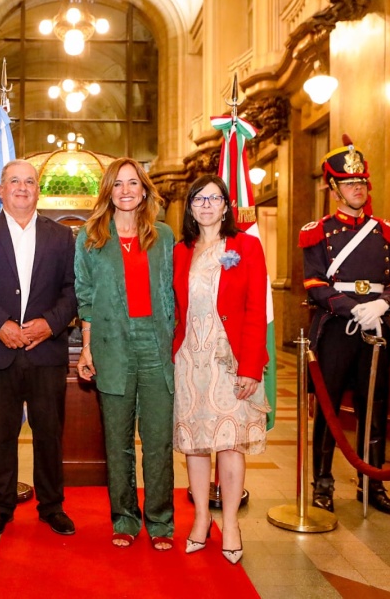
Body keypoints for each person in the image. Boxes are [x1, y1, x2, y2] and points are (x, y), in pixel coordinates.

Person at [0, 159, 77, 538]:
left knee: (49, 433)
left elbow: (72, 290)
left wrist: (50, 323)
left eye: (30, 181)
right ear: (1, 189)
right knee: (1, 433)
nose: (23, 187)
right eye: (14, 181)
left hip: (46, 351)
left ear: (38, 190)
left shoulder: (61, 237)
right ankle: (1, 506)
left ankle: (52, 506)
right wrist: (0, 325)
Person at [300, 135, 390, 515]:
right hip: (336, 330)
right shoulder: (318, 231)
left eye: (361, 182)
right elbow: (314, 283)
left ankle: (372, 483)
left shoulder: (386, 231)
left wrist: (382, 303)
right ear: (333, 189)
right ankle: (323, 482)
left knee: (374, 408)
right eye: (348, 183)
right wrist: (352, 308)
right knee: (329, 410)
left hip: (377, 328)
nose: (357, 188)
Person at [75, 157, 175, 551]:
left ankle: (160, 520)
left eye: (133, 183)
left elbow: (174, 292)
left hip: (156, 344)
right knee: (117, 440)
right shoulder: (91, 236)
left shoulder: (163, 236)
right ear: (108, 191)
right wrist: (87, 347)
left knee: (158, 438)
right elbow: (84, 295)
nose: (126, 190)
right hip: (111, 344)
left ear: (145, 190)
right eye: (118, 184)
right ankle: (124, 517)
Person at [172, 174, 270, 564]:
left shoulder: (246, 246)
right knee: (195, 444)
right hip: (189, 360)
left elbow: (256, 308)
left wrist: (251, 366)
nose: (207, 205)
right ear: (190, 207)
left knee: (229, 443)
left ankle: (230, 523)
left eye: (215, 198)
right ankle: (200, 519)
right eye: (199, 199)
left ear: (227, 206)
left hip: (229, 360)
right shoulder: (180, 250)